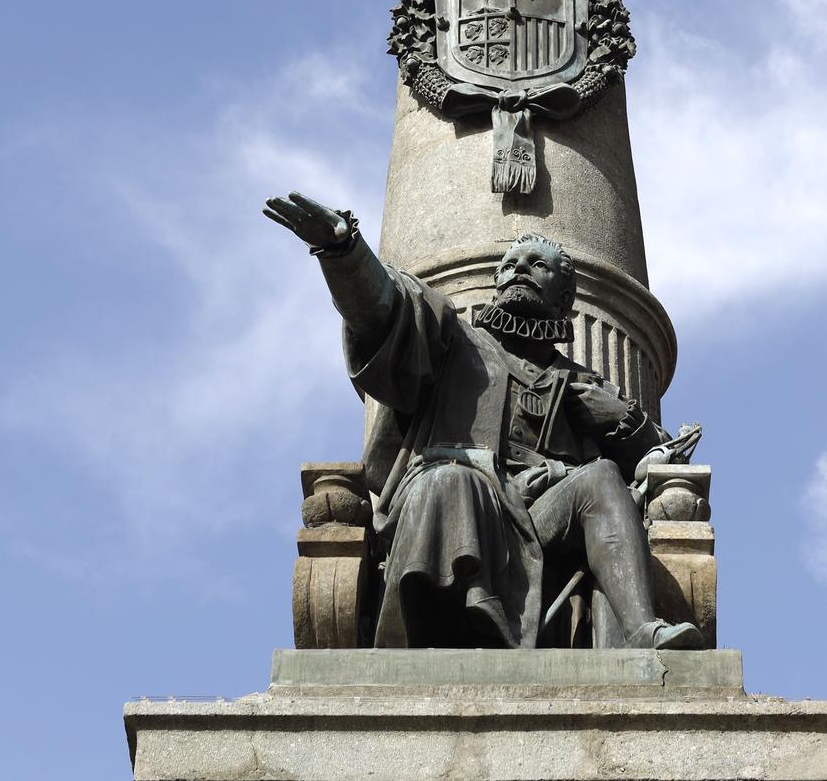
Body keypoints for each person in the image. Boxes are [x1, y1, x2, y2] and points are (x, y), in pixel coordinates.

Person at [264, 191, 704, 650]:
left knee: (602, 478)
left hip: (542, 515)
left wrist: (622, 420)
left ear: (565, 297)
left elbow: (657, 464)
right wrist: (345, 254)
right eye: (510, 264)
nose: (518, 268)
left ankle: (642, 631)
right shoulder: (456, 343)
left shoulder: (583, 384)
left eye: (537, 264)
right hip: (471, 494)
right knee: (452, 483)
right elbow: (389, 311)